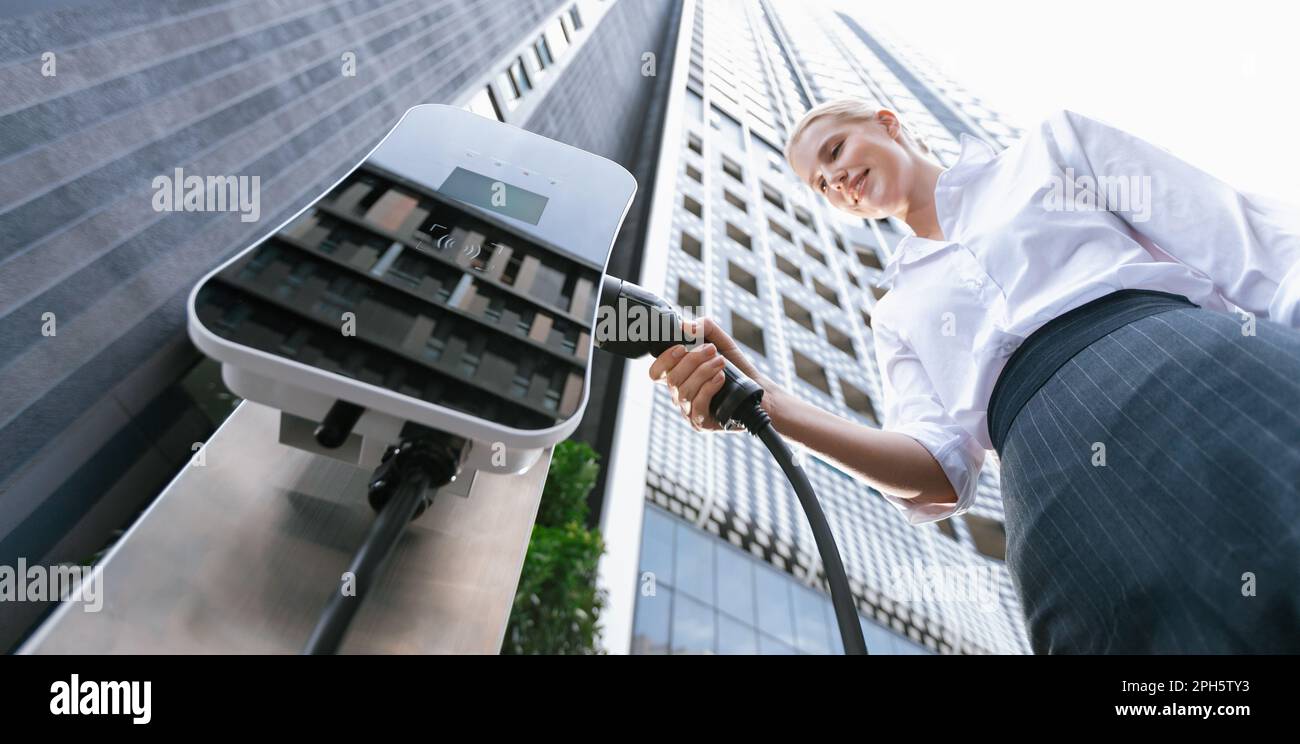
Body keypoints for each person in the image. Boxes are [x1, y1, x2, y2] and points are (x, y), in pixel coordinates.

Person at [650, 98, 1300, 653]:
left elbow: (1240, 242)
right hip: (1050, 484)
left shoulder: (1052, 149)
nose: (835, 180)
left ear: (887, 122)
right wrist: (766, 402)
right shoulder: (894, 313)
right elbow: (936, 474)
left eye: (835, 151)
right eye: (820, 186)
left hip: (1183, 368)